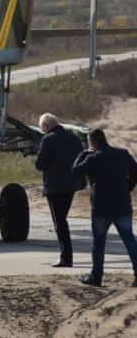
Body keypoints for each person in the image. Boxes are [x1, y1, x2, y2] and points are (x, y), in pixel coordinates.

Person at [72, 128, 137, 287]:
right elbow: (136, 172)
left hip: (101, 206)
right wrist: (127, 188)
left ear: (92, 142)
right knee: (129, 240)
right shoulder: (123, 153)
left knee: (99, 243)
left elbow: (75, 170)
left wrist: (83, 153)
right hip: (122, 204)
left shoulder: (93, 157)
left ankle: (96, 276)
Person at [34, 113, 83, 267]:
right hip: (71, 185)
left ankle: (66, 258)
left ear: (46, 127)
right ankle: (66, 256)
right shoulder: (74, 138)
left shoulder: (48, 139)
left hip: (55, 186)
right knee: (62, 219)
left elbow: (40, 164)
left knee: (59, 222)